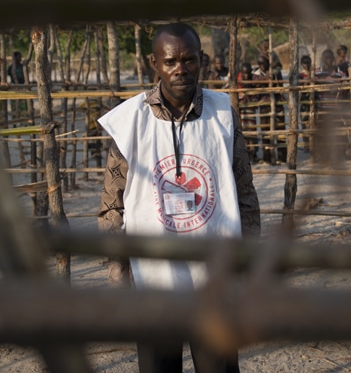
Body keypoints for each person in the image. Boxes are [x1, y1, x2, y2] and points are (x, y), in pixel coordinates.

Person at [98, 22, 260, 373]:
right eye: (170, 61)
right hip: (154, 280)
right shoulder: (131, 121)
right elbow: (112, 205)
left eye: (189, 60)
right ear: (154, 63)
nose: (180, 69)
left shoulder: (222, 113)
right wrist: (119, 274)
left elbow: (245, 194)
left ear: (202, 60)